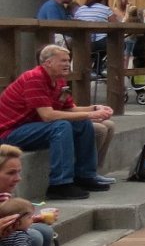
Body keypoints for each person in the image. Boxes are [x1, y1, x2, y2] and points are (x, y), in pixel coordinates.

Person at [0, 45, 114, 199]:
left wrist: (94, 109)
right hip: (10, 132)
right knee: (61, 126)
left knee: (82, 123)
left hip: (31, 127)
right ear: (48, 63)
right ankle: (59, 185)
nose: (67, 64)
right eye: (63, 61)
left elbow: (69, 109)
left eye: (68, 60)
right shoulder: (34, 78)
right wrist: (89, 114)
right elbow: (48, 116)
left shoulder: (59, 81)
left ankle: (85, 176)